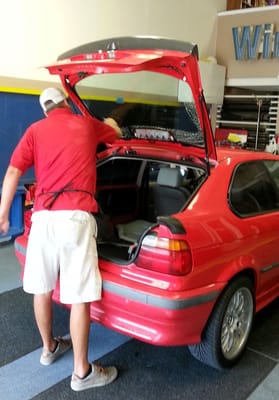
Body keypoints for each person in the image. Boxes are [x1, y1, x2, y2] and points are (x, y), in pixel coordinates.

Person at [0, 87, 122, 392]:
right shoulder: (84, 123)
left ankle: (49, 347)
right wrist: (110, 120)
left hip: (42, 218)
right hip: (75, 219)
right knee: (79, 296)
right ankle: (82, 373)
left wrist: (2, 215)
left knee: (41, 289)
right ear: (67, 102)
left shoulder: (35, 130)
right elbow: (115, 134)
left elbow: (14, 169)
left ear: (45, 110)